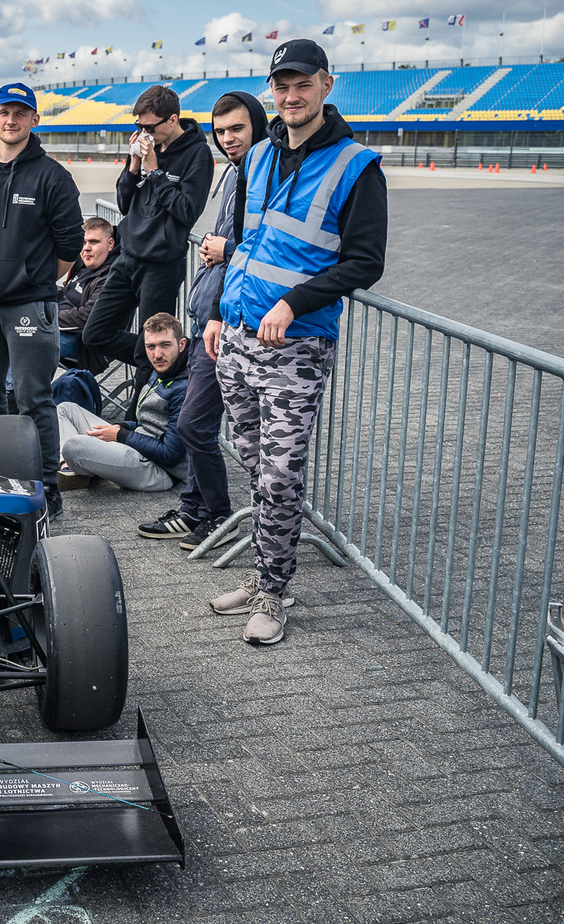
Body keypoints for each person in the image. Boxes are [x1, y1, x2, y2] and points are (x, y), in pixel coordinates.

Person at [204, 39, 387, 645]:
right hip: (237, 336)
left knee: (280, 476)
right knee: (254, 465)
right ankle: (265, 574)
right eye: (281, 86)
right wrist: (219, 311)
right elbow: (244, 245)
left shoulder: (357, 166)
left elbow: (365, 262)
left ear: (326, 85)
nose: (291, 96)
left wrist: (294, 302)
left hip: (296, 346)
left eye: (302, 84)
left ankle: (274, 592)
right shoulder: (257, 155)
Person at [139, 92, 267, 549]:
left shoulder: (261, 174)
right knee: (196, 424)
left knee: (195, 424)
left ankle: (217, 515)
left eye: (237, 128)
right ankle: (196, 509)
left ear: (257, 125)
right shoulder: (237, 172)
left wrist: (225, 249)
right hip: (209, 318)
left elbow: (268, 247)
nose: (228, 138)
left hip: (228, 321)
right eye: (222, 130)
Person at [0, 82, 85, 518]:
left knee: (34, 400)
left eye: (20, 113)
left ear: (34, 119)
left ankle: (47, 489)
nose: (11, 120)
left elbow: (70, 245)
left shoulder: (53, 176)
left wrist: (32, 279)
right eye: (4, 112)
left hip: (31, 306)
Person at [82, 84, 213, 394]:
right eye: (139, 126)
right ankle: (172, 359)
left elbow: (187, 210)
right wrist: (134, 166)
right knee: (94, 334)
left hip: (161, 265)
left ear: (172, 120)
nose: (144, 133)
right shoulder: (147, 150)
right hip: (128, 258)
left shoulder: (198, 154)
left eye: (149, 127)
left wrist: (155, 173)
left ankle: (142, 412)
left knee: (150, 347)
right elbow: (124, 203)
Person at [57, 312, 189, 490]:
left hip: (159, 470)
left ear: (181, 344)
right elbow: (147, 424)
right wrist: (122, 427)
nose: (157, 354)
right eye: (150, 347)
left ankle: (83, 465)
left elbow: (170, 455)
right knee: (65, 409)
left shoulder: (184, 388)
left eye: (165, 345)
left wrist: (120, 435)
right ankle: (71, 466)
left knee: (74, 446)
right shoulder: (159, 370)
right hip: (138, 445)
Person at [58, 216, 119, 372]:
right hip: (60, 327)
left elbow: (87, 317)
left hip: (85, 347)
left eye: (93, 242)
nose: (86, 248)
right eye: (84, 242)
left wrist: (46, 317)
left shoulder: (112, 277)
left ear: (110, 244)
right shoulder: (83, 262)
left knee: (26, 335)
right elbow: (65, 293)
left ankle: (13, 388)